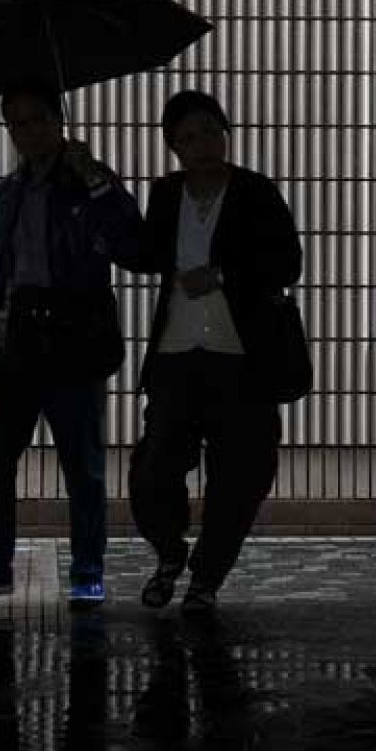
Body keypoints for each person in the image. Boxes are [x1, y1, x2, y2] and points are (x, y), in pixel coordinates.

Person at [0, 80, 150, 606]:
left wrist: (97, 180)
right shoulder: (7, 193)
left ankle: (86, 570)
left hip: (74, 341)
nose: (26, 132)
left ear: (58, 120)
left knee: (82, 464)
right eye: (15, 123)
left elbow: (132, 246)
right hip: (12, 340)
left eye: (36, 119)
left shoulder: (87, 181)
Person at [127, 89, 302, 614]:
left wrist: (224, 275)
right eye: (185, 137)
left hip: (242, 358)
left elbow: (287, 263)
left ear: (225, 132)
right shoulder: (165, 194)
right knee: (154, 468)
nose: (199, 144)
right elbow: (141, 255)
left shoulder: (256, 192)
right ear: (172, 147)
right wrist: (97, 186)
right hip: (177, 355)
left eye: (207, 131)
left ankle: (206, 578)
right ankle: (168, 552)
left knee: (242, 474)